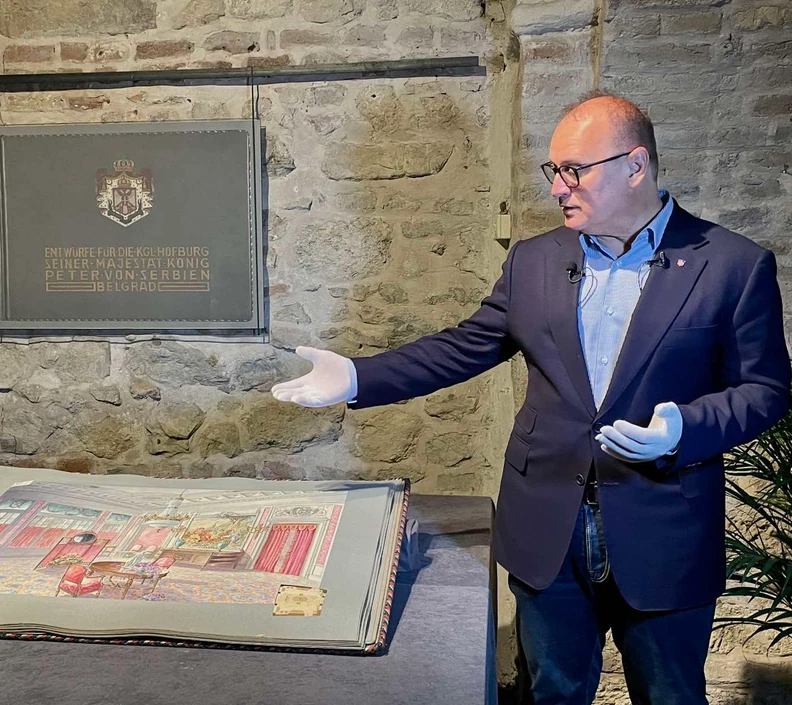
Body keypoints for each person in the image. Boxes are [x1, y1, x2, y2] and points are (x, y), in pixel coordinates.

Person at [270, 92, 791, 704]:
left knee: (671, 696)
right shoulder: (535, 260)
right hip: (548, 527)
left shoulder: (733, 265)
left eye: (574, 170)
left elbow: (765, 390)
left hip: (665, 531)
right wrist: (359, 377)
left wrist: (685, 428)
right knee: (551, 692)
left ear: (635, 165)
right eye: (554, 170)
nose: (557, 187)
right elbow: (466, 346)